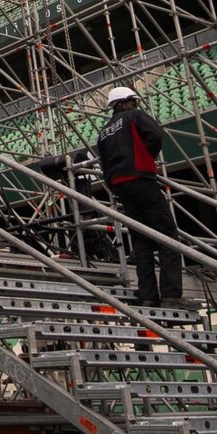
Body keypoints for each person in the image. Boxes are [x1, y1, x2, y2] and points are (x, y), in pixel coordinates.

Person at [93, 86, 184, 307]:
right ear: (124, 102)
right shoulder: (135, 116)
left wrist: (114, 184)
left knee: (142, 241)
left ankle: (148, 296)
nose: (135, 104)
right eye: (133, 101)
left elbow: (104, 164)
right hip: (141, 178)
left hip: (120, 185)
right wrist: (146, 157)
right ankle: (171, 295)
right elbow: (155, 135)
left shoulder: (103, 131)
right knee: (167, 236)